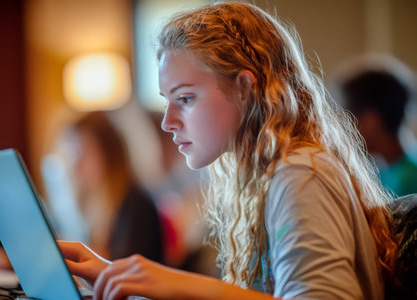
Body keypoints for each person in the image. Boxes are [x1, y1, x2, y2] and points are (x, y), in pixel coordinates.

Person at [58, 3, 398, 299]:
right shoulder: (269, 174)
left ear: (244, 89)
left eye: (185, 99)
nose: (167, 122)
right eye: (167, 102)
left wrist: (181, 285)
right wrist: (118, 275)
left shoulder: (299, 173)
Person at [64, 111, 164, 263]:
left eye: (84, 152)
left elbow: (126, 267)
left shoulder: (137, 204)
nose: (76, 164)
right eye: (74, 154)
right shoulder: (93, 200)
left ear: (109, 153)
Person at [332, 55, 417, 196]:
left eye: (349, 119)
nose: (344, 130)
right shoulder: (381, 172)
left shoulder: (409, 181)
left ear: (372, 120)